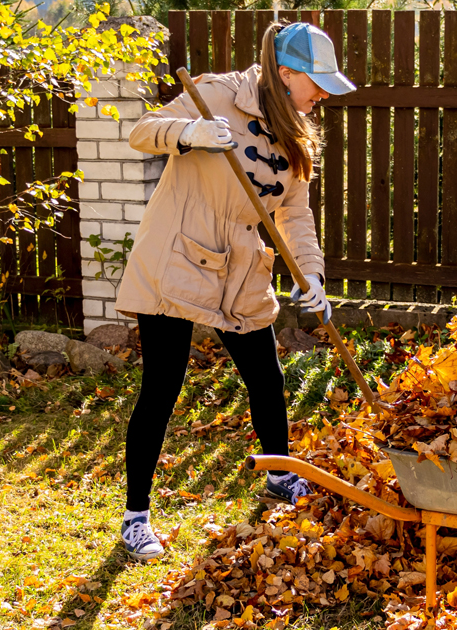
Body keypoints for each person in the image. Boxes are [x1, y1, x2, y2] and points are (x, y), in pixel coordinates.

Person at [112, 22, 356, 561]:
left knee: (266, 380)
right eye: (316, 83)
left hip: (243, 268)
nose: (322, 96)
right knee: (162, 386)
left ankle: (279, 479)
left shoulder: (295, 126)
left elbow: (294, 210)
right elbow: (143, 131)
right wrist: (190, 134)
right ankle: (135, 518)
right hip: (178, 255)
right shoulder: (216, 93)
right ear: (285, 73)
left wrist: (310, 274)